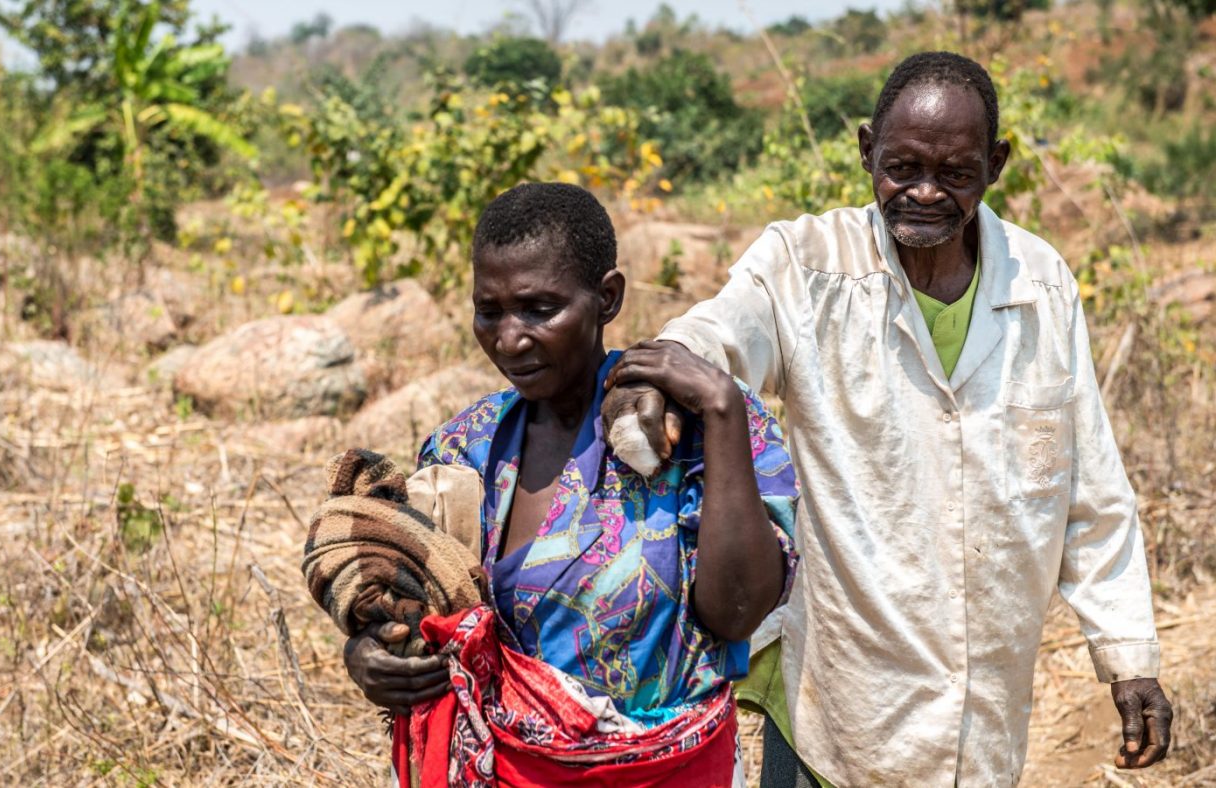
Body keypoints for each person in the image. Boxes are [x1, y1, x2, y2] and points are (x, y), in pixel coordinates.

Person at [601, 51, 1173, 786]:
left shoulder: (1041, 285)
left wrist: (1128, 656)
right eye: (902, 167)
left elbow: (1089, 490)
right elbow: (719, 330)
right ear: (867, 149)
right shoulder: (805, 265)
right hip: (841, 705)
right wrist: (657, 373)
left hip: (984, 716)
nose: (925, 193)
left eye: (956, 173)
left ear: (996, 164)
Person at [341, 181, 800, 782]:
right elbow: (420, 614)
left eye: (539, 309)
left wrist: (720, 409)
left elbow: (737, 613)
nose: (509, 338)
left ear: (607, 298)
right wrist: (369, 654)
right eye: (490, 310)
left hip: (673, 771)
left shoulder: (693, 427)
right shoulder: (466, 448)